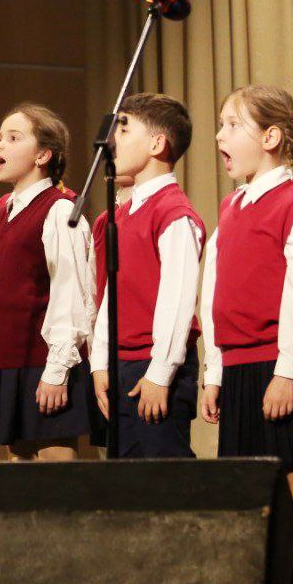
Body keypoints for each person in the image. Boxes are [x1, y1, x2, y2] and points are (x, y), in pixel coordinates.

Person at [199, 86, 293, 549]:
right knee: (248, 479)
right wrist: (214, 371)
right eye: (221, 124)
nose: (220, 135)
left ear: (271, 137)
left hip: (277, 365)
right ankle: (262, 576)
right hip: (238, 365)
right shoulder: (232, 207)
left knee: (288, 472)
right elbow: (214, 294)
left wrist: (286, 371)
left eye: (233, 125)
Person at [0, 103, 94, 460]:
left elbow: (71, 293)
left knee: (54, 464)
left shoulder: (59, 210)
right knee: (20, 467)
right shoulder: (1, 216)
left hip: (44, 360)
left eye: (13, 138)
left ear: (42, 155)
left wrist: (57, 370)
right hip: (8, 361)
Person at [89, 93, 204, 458]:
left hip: (154, 364)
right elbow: (112, 294)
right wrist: (100, 362)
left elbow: (178, 300)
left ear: (157, 144)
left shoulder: (172, 213)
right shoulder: (122, 214)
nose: (113, 140)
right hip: (121, 363)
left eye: (124, 131)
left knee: (163, 472)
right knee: (126, 473)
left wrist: (160, 372)